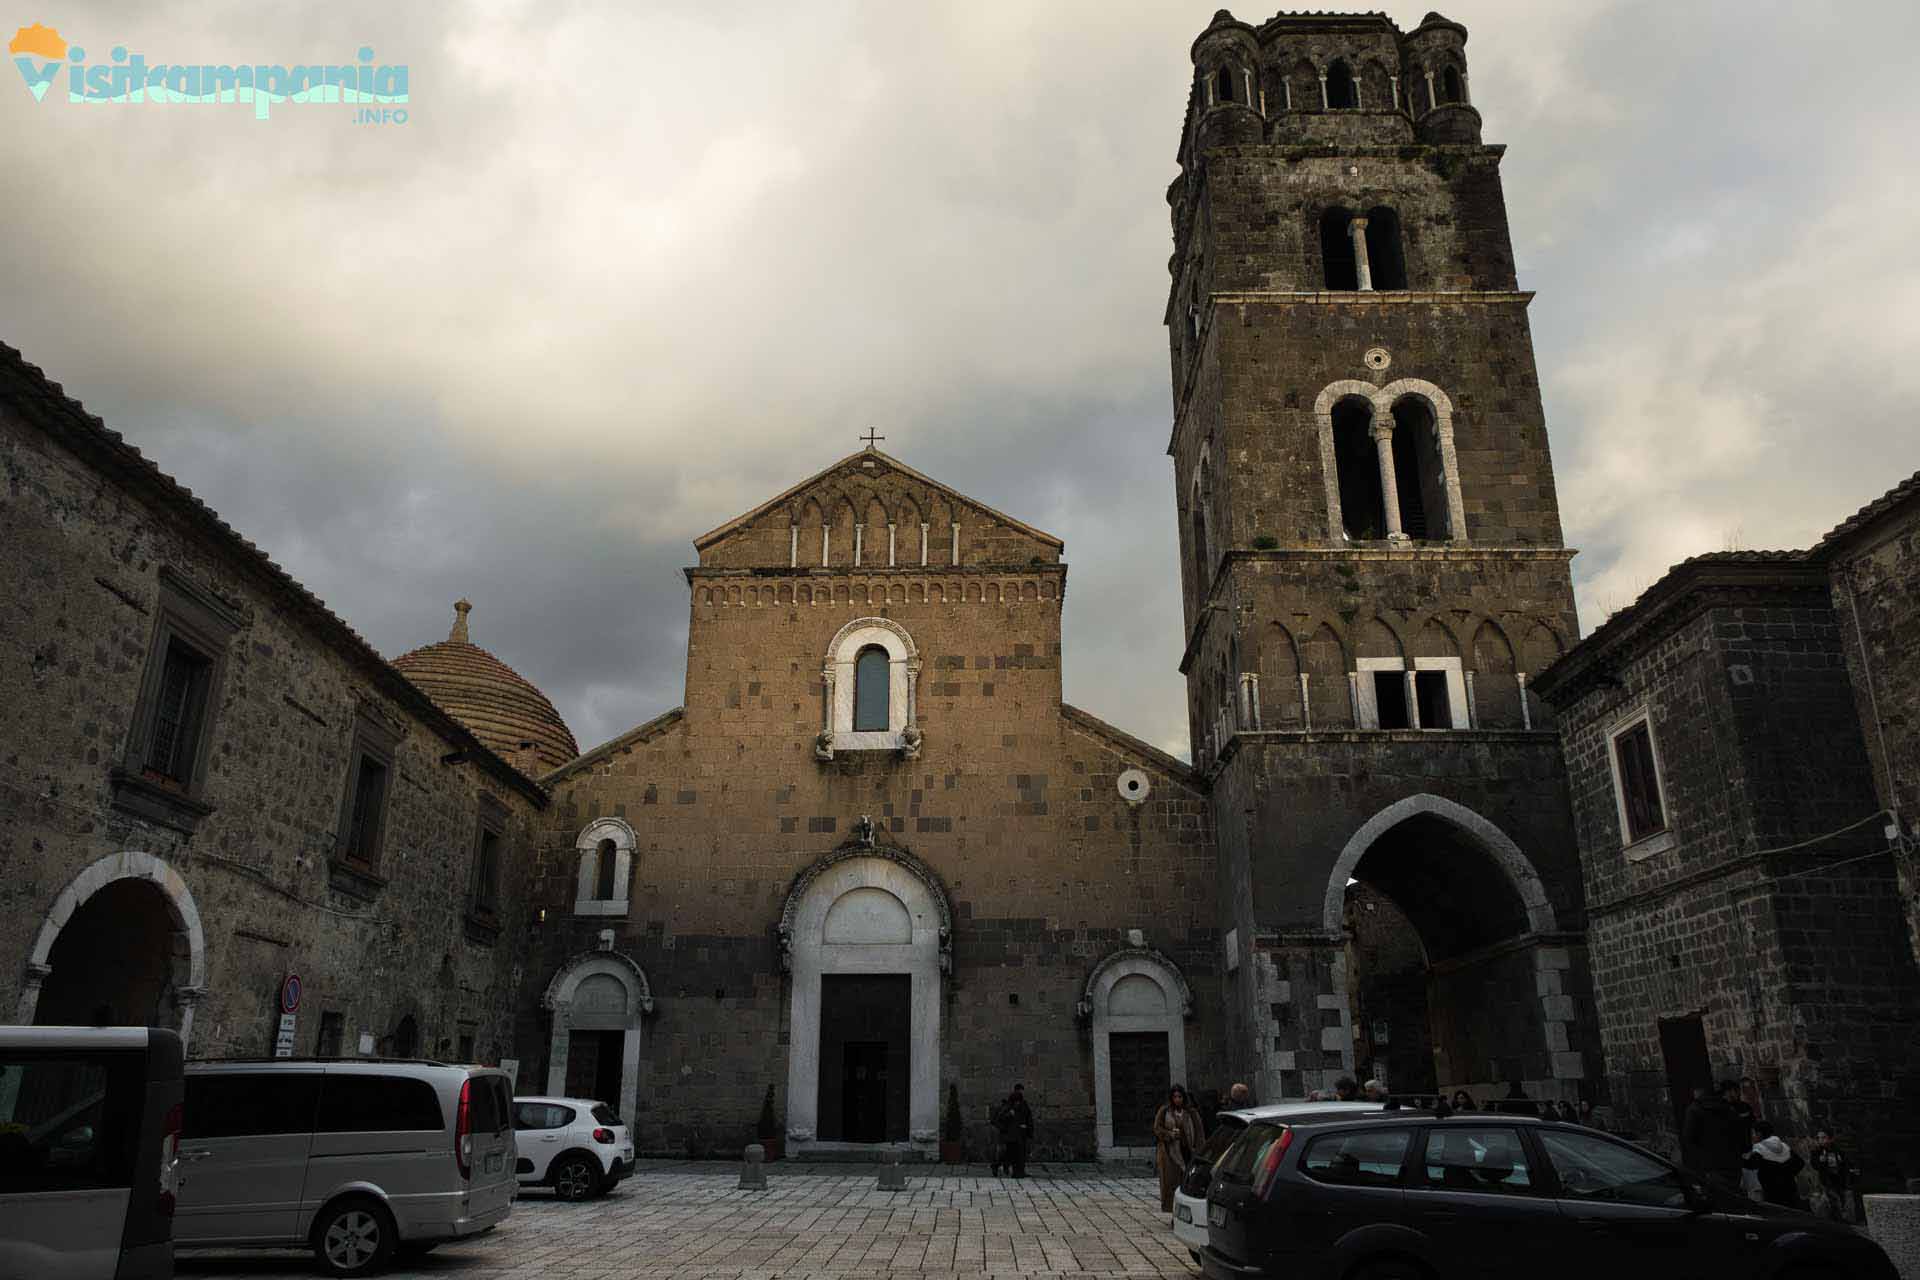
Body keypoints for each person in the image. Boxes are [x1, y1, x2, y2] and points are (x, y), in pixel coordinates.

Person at [1152, 1084, 1203, 1213]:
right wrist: (1169, 1134)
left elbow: (1199, 1132)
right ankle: (1174, 1212)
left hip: (1188, 1152)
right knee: (1172, 1184)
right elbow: (1157, 1128)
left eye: (1179, 1097)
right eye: (1175, 1097)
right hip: (1170, 1153)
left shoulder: (1191, 1112)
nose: (1177, 1099)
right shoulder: (1165, 1111)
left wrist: (1200, 1150)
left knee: (1188, 1183)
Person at [1743, 1120, 1806, 1209]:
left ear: (1759, 1134)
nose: (1752, 1136)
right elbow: (1800, 1163)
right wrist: (1787, 1174)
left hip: (1772, 1192)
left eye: (1753, 1133)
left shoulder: (1760, 1149)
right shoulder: (1783, 1146)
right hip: (1790, 1188)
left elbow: (1750, 1165)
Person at [1808, 1129, 1856, 1223]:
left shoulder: (1837, 1150)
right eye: (1819, 1138)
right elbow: (1815, 1165)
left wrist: (1847, 1169)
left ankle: (1844, 1220)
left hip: (1839, 1180)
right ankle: (1836, 1220)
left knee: (1843, 1201)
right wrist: (1820, 1161)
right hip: (1827, 1181)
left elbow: (1845, 1164)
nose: (1821, 1140)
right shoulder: (1817, 1152)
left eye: (1823, 1137)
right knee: (1833, 1201)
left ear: (1830, 1139)